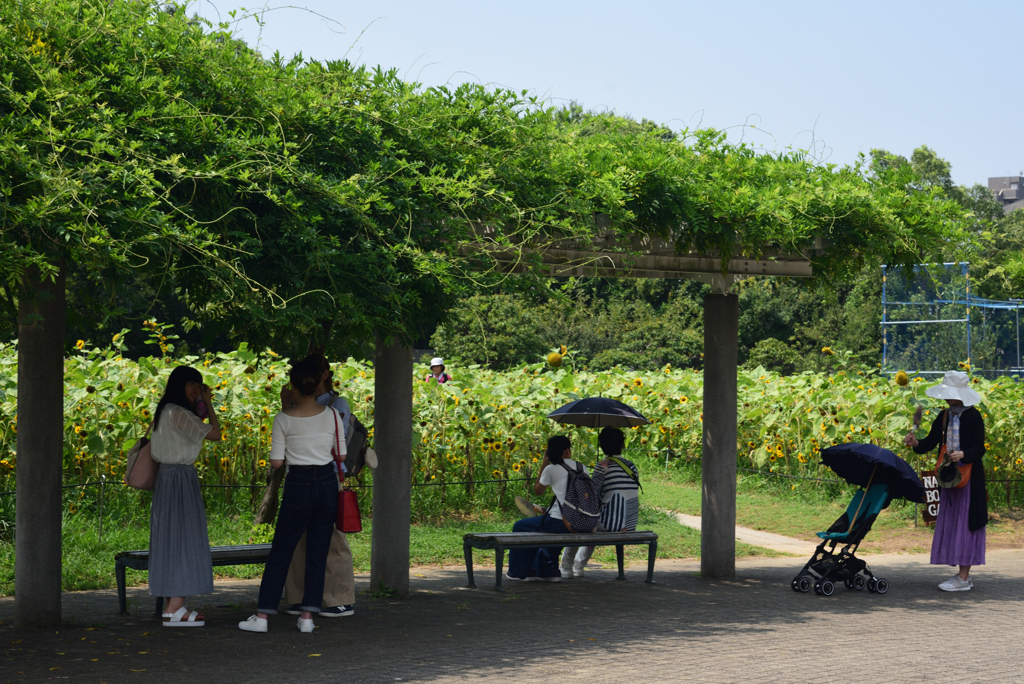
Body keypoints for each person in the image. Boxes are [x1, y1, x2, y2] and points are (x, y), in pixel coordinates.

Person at [239, 358, 343, 633]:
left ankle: (262, 617)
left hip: (298, 483)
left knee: (282, 551)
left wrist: (287, 410)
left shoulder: (283, 419)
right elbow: (341, 454)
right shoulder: (332, 415)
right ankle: (307, 618)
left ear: (293, 387)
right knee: (318, 551)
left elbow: (276, 463)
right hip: (326, 483)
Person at [282, 352, 357, 618]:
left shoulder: (337, 404)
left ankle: (338, 597)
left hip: (330, 476)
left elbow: (339, 445)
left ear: (324, 375)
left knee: (334, 541)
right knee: (298, 540)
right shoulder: (293, 406)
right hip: (299, 475)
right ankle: (300, 597)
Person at [148, 366, 222, 627]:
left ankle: (172, 607)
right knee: (183, 538)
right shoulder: (179, 413)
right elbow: (216, 434)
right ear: (178, 385)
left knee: (171, 538)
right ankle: (175, 608)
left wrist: (200, 401)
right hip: (180, 478)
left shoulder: (164, 410)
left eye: (199, 385)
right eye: (191, 384)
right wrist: (208, 404)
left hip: (167, 478)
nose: (195, 390)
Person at [903, 370, 987, 592]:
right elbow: (930, 442)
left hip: (969, 477)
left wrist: (963, 454)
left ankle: (963, 577)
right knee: (953, 522)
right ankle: (961, 576)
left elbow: (980, 447)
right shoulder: (944, 416)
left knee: (966, 523)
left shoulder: (973, 416)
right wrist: (915, 443)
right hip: (949, 476)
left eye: (950, 393)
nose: (947, 398)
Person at [560, 427, 640, 578]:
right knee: (594, 522)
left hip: (611, 524)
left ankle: (566, 567)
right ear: (622, 445)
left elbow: (591, 496)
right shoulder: (631, 467)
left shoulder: (603, 466)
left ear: (602, 446)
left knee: (580, 523)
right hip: (629, 524)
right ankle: (579, 566)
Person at [505, 435, 583, 582]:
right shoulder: (581, 467)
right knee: (545, 525)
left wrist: (543, 465)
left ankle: (521, 571)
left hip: (561, 522)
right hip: (580, 521)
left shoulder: (552, 469)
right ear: (567, 450)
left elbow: (538, 491)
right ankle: (548, 569)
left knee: (520, 526)